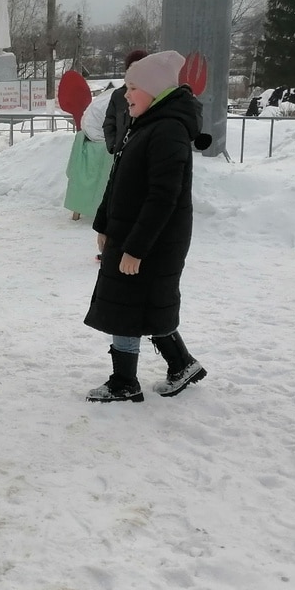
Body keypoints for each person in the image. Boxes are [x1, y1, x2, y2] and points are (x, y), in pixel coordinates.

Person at [83, 50, 210, 402]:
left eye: (133, 87)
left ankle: (125, 381)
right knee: (142, 305)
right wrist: (104, 224)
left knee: (128, 307)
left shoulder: (167, 130)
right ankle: (180, 364)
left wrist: (136, 249)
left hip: (152, 241)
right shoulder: (146, 124)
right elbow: (118, 179)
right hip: (131, 232)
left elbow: (162, 198)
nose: (125, 94)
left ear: (154, 91)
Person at [63, 82, 114, 222]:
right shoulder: (116, 101)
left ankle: (78, 211)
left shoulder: (109, 99)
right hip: (99, 135)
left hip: (90, 132)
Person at [102, 48, 148, 155]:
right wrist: (113, 145)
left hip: (146, 154)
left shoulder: (153, 94)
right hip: (122, 154)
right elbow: (109, 122)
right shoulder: (118, 95)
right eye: (132, 68)